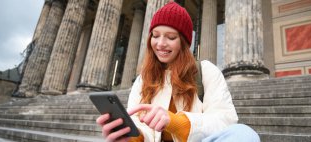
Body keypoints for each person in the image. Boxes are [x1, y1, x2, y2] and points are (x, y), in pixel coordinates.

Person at [96, 2, 260, 142]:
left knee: (245, 134)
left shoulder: (206, 71)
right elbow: (138, 124)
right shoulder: (142, 80)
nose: (160, 44)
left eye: (171, 37)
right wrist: (130, 137)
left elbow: (226, 121)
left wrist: (177, 122)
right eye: (155, 35)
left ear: (184, 42)